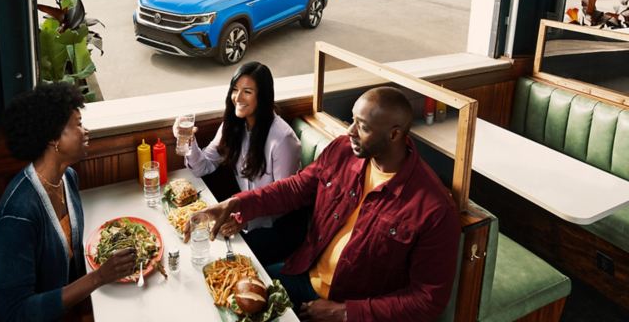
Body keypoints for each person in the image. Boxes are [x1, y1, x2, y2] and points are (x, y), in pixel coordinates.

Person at [186, 87, 461, 322]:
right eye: (352, 120)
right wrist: (236, 203)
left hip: (353, 310)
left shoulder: (434, 209)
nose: (350, 131)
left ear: (394, 134)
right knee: (220, 304)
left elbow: (428, 300)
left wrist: (344, 313)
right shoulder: (343, 150)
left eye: (362, 127)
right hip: (303, 276)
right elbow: (295, 188)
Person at [0, 83, 136, 321]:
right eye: (77, 124)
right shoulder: (18, 215)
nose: (86, 130)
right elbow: (14, 312)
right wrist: (98, 277)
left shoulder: (68, 178)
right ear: (53, 137)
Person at [175, 61, 303, 266]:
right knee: (191, 239)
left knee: (215, 261)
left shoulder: (283, 139)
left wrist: (243, 216)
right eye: (235, 90)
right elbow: (203, 166)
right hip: (244, 221)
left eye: (247, 92)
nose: (238, 98)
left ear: (263, 96)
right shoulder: (232, 126)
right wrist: (188, 139)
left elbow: (283, 201)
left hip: (276, 232)